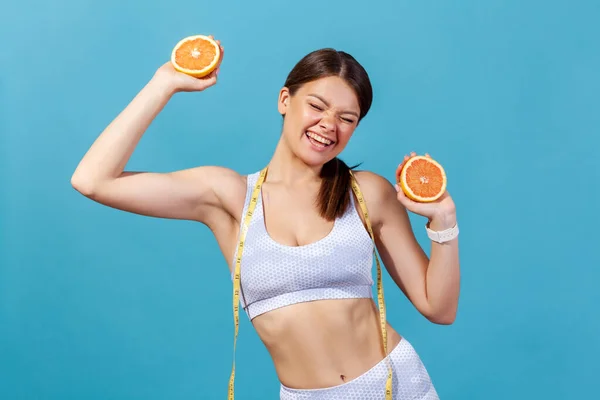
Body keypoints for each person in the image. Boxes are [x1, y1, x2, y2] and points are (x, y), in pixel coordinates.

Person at [71, 36, 460, 399]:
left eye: (347, 118)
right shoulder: (228, 197)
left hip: (395, 385)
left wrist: (444, 220)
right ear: (284, 100)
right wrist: (164, 83)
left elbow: (439, 308)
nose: (329, 124)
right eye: (317, 105)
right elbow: (92, 180)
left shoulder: (366, 193)